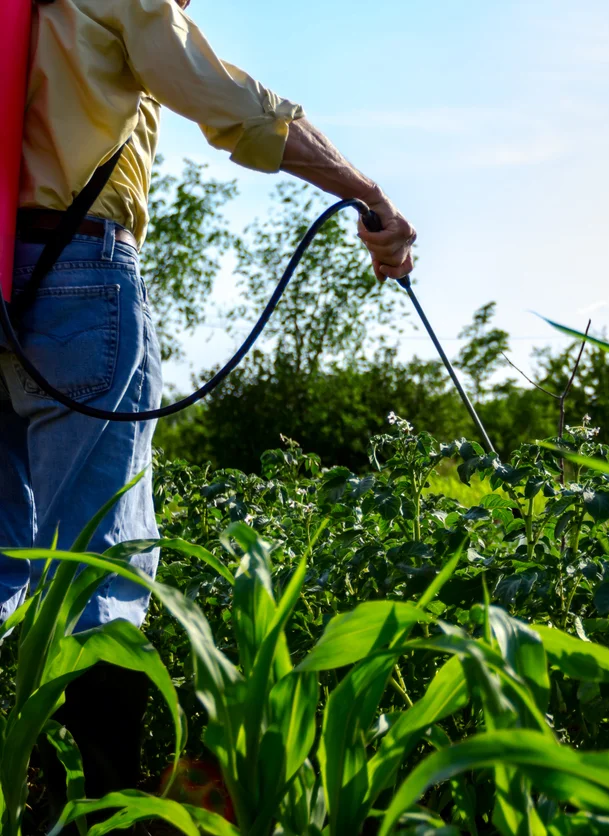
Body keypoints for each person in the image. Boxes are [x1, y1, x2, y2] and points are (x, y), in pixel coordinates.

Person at [1, 0, 417, 810]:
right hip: (77, 275)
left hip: (1, 280)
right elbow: (229, 105)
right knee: (100, 575)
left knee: (7, 567)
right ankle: (100, 815)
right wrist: (368, 193)